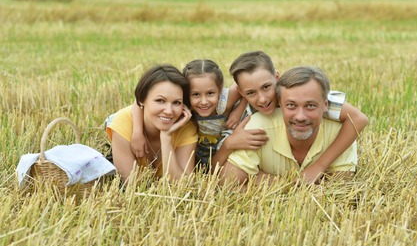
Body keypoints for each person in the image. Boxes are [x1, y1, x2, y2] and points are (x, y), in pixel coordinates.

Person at [219, 51, 369, 186]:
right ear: (242, 93)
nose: (263, 99)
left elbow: (358, 119)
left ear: (277, 78)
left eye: (266, 87)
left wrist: (319, 166)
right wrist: (228, 143)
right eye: (251, 93)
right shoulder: (245, 114)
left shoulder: (303, 93)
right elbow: (221, 177)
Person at [131, 59, 269, 172]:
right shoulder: (184, 104)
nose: (203, 102)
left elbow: (244, 85)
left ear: (220, 90)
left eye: (210, 93)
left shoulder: (224, 103)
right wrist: (137, 132)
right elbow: (138, 102)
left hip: (227, 145)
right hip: (200, 151)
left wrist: (240, 108)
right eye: (196, 94)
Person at [105, 64, 198, 183]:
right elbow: (131, 185)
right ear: (141, 100)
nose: (169, 111)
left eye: (177, 103)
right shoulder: (123, 122)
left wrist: (166, 138)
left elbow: (182, 186)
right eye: (160, 101)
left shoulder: (186, 127)